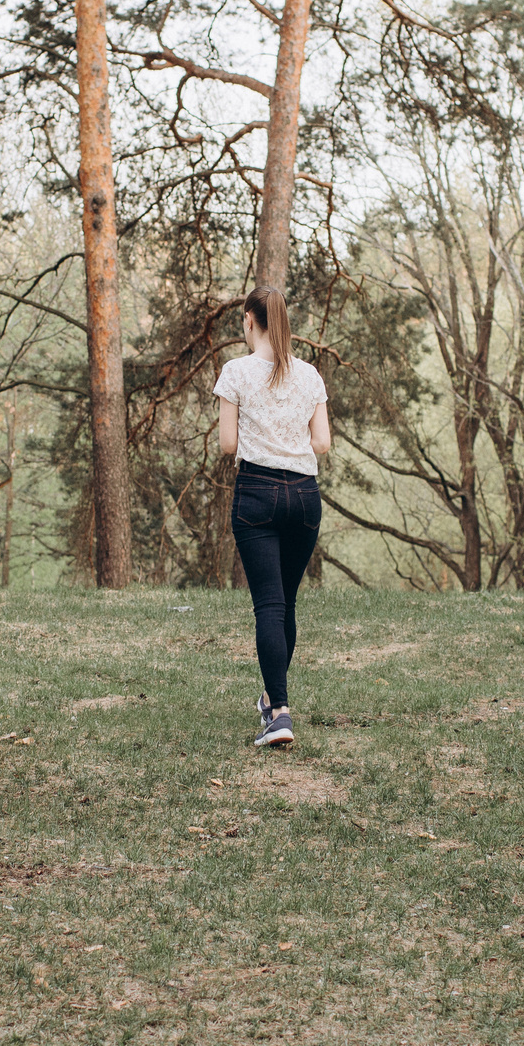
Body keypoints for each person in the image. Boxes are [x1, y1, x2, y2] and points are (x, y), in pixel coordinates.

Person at [215, 286, 330, 749]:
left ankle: (279, 714)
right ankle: (271, 697)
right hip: (304, 496)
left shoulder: (236, 371)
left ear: (249, 320)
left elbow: (227, 444)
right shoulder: (309, 375)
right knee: (286, 603)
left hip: (257, 493)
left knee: (269, 604)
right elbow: (321, 442)